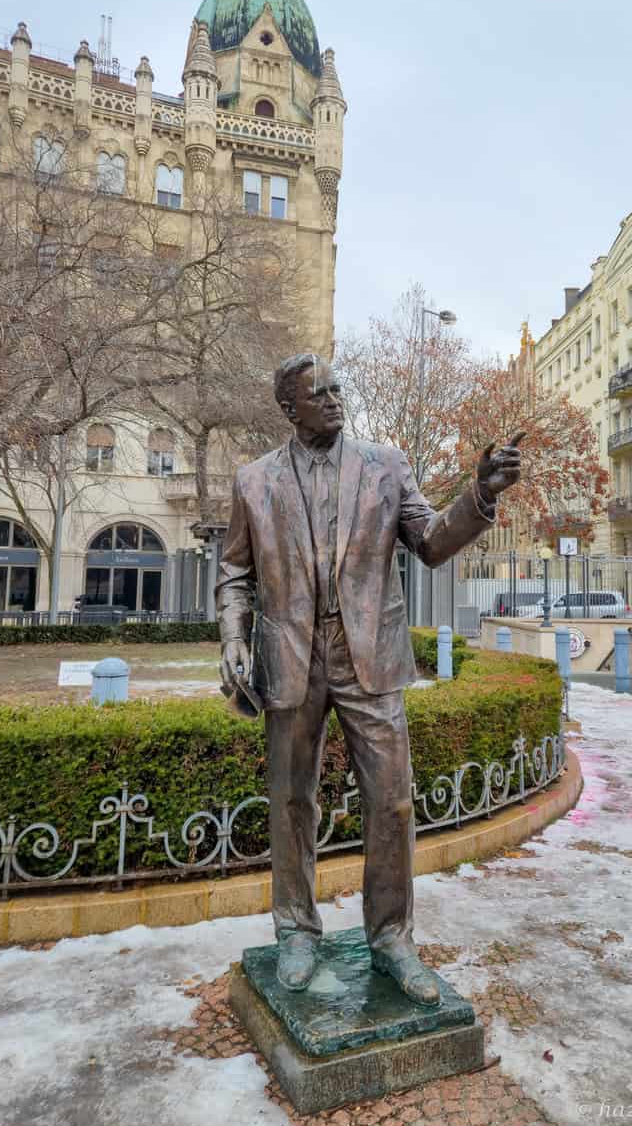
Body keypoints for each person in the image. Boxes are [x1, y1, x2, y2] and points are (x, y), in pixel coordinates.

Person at [217, 353, 522, 1005]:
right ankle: (297, 931)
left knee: (392, 801)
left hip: (370, 655)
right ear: (289, 407)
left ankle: (391, 940)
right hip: (291, 655)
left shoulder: (386, 465)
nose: (333, 398)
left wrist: (482, 495)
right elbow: (234, 574)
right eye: (317, 392)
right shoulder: (254, 480)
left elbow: (433, 543)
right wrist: (233, 636)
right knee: (291, 800)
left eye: (337, 388)